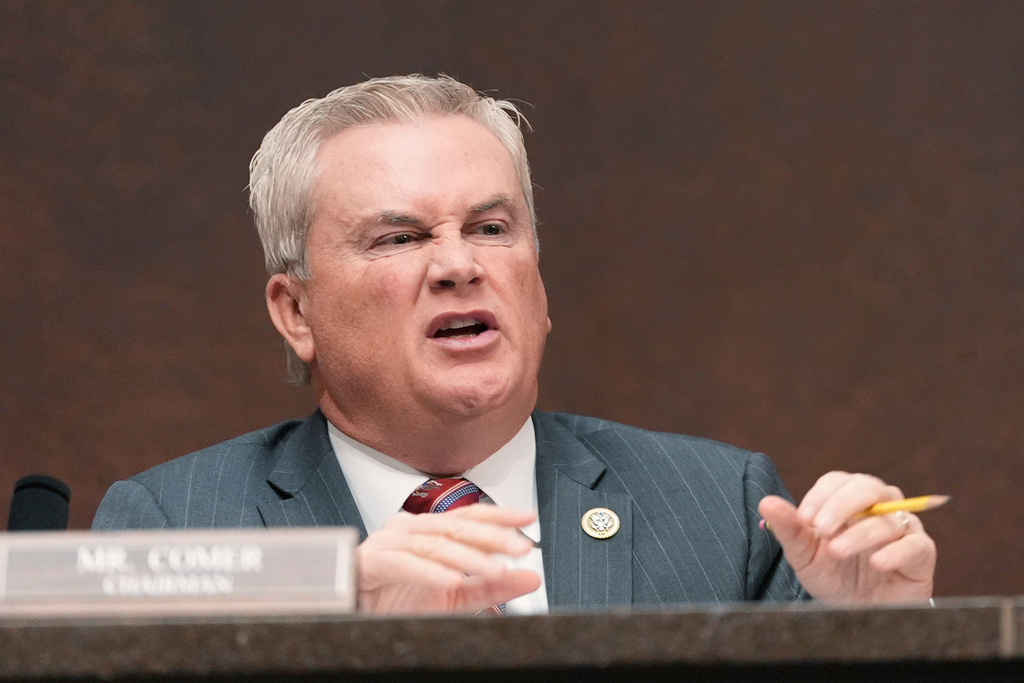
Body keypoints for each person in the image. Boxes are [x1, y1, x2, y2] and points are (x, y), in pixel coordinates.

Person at [93, 74, 936, 614]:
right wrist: (340, 624)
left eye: (492, 227)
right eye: (399, 238)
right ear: (295, 311)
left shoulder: (722, 509)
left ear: (538, 281)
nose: (459, 264)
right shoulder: (174, 526)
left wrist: (891, 636)